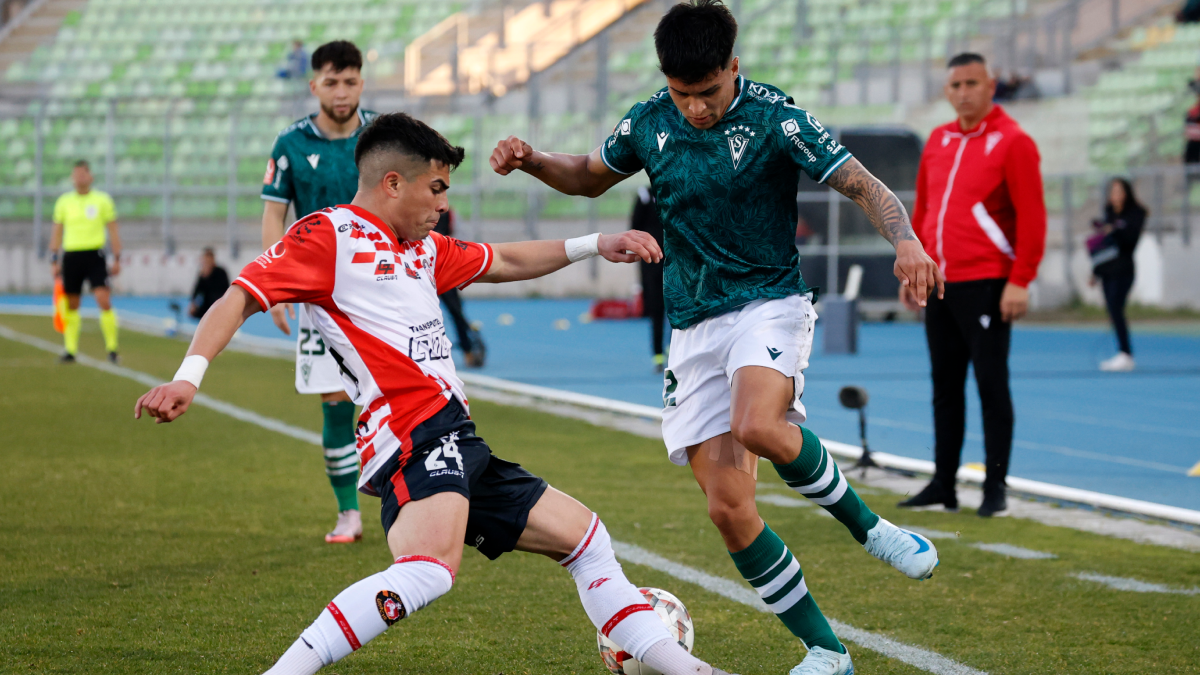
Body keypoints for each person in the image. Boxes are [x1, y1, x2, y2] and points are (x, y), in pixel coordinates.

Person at [134, 112, 735, 675]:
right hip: (411, 435)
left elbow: (503, 260)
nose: (444, 206)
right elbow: (239, 294)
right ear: (393, 183)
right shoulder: (328, 236)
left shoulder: (420, 247)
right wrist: (189, 376)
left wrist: (595, 242)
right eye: (438, 189)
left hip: (457, 438)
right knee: (429, 570)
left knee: (587, 540)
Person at [489, 3, 942, 673]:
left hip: (769, 304)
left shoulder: (776, 118)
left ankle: (872, 529)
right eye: (682, 95)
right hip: (693, 323)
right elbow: (588, 175)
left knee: (758, 423)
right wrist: (530, 161)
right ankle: (827, 650)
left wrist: (904, 238)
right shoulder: (649, 121)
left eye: (707, 92)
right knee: (729, 510)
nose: (695, 108)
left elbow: (862, 183)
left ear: (734, 66)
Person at [898, 53, 1046, 518]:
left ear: (991, 85)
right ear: (947, 91)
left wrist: (1020, 280)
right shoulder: (938, 140)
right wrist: (914, 269)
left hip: (987, 281)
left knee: (990, 385)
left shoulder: (1013, 142)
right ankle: (944, 483)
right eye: (955, 84)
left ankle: (995, 487)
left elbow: (1033, 219)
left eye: (972, 83)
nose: (963, 92)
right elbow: (922, 211)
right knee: (944, 386)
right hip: (940, 283)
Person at [261, 40, 377, 544]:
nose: (341, 91)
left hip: (382, 285)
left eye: (350, 81)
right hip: (319, 295)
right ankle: (348, 511)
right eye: (331, 81)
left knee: (399, 396)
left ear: (361, 83)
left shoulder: (382, 135)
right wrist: (277, 284)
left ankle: (407, 495)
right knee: (335, 401)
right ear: (314, 86)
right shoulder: (289, 144)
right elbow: (273, 214)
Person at [50, 159, 122, 364]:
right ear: (72, 178)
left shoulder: (102, 200)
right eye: (76, 174)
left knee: (103, 299)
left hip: (94, 255)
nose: (79, 178)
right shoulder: (64, 201)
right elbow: (57, 231)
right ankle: (70, 350)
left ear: (90, 176)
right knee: (72, 303)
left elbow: (113, 230)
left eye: (83, 174)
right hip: (71, 256)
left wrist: (117, 258)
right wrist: (53, 258)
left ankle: (112, 349)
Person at [1091, 178, 1146, 372]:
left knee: (1116, 306)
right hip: (1107, 268)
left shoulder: (1135, 213)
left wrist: (1113, 231)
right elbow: (1101, 244)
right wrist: (1095, 271)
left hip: (1123, 268)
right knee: (1112, 309)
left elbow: (1129, 239)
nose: (1115, 195)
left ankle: (1126, 353)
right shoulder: (1109, 213)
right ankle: (1122, 351)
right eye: (1112, 191)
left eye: (1119, 191)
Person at [433, 208, 486, 367]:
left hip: (442, 269)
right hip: (423, 269)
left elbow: (456, 237)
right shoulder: (418, 210)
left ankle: (468, 350)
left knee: (457, 312)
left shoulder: (446, 212)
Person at [631, 186, 666, 371]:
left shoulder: (677, 189)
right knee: (656, 309)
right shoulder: (644, 195)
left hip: (676, 260)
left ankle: (675, 352)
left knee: (679, 307)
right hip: (652, 262)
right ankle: (658, 355)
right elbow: (635, 227)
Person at [188, 248, 230, 320]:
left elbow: (226, 288)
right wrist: (193, 304)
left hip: (219, 304)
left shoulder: (221, 272)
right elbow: (197, 291)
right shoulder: (203, 275)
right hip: (207, 305)